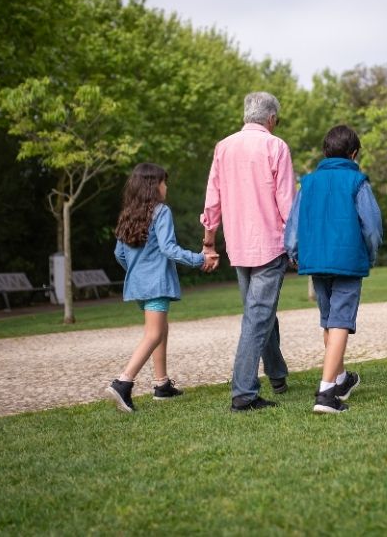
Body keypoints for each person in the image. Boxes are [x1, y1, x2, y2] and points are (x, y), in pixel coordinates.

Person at [200, 92, 296, 412]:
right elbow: (286, 201)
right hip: (270, 244)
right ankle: (243, 393)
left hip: (238, 245)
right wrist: (297, 241)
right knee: (257, 317)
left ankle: (278, 375)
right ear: (271, 118)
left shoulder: (223, 147)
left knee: (259, 313)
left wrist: (209, 241)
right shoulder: (276, 146)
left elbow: (212, 199)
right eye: (277, 120)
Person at [284, 125, 383, 414]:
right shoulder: (357, 182)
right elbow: (372, 228)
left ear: (326, 152)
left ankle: (339, 379)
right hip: (347, 260)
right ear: (354, 154)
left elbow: (294, 225)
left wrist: (294, 253)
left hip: (315, 259)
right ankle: (326, 394)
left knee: (329, 320)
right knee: (340, 321)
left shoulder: (309, 183)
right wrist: (371, 255)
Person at [106, 163, 217, 413]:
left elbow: (119, 254)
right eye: (163, 182)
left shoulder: (128, 213)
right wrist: (200, 259)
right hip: (156, 284)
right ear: (153, 185)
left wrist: (137, 272)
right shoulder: (161, 211)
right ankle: (123, 383)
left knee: (161, 329)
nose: (166, 187)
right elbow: (168, 248)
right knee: (153, 334)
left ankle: (161, 384)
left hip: (137, 284)